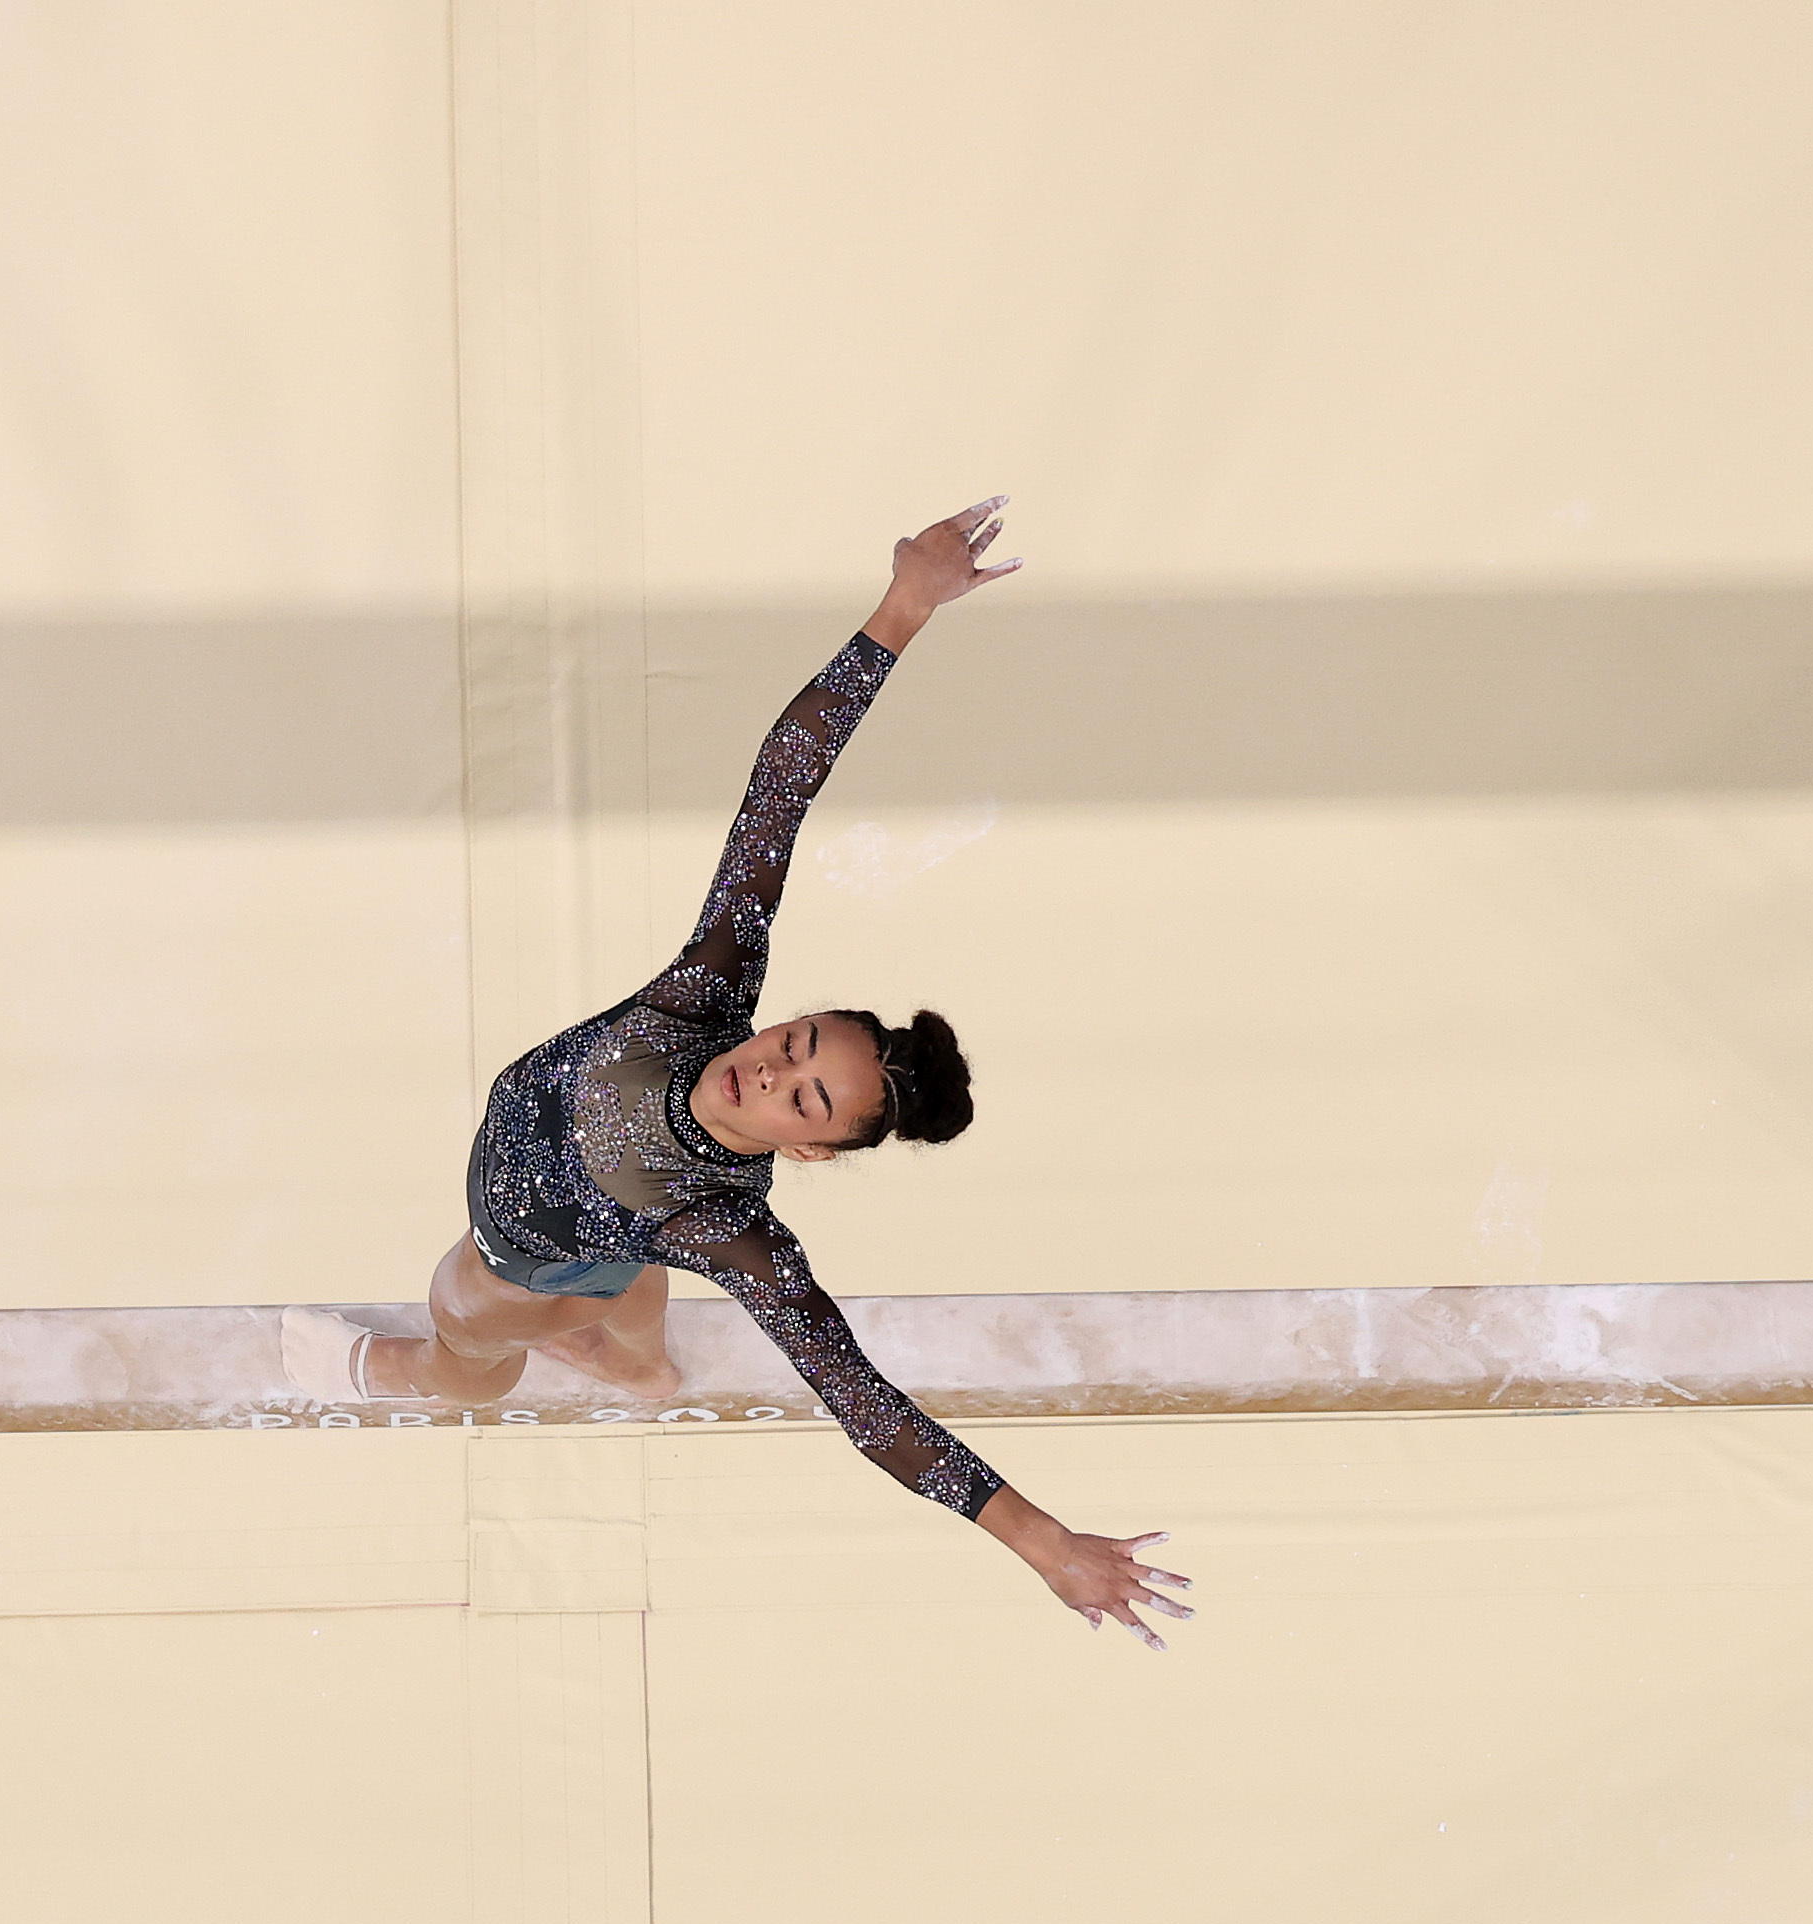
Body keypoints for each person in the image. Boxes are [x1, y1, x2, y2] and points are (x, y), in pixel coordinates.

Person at [283, 497, 1195, 1648]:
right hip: (614, 1241)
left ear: (809, 1148)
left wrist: (1043, 1540)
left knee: (467, 1323)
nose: (765, 1072)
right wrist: (902, 609)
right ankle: (636, 1363)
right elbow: (781, 785)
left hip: (521, 1248)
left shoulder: (728, 1225)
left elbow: (863, 1403)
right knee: (628, 1293)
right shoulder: (707, 990)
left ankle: (414, 1369)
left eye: (803, 1099)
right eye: (795, 1043)